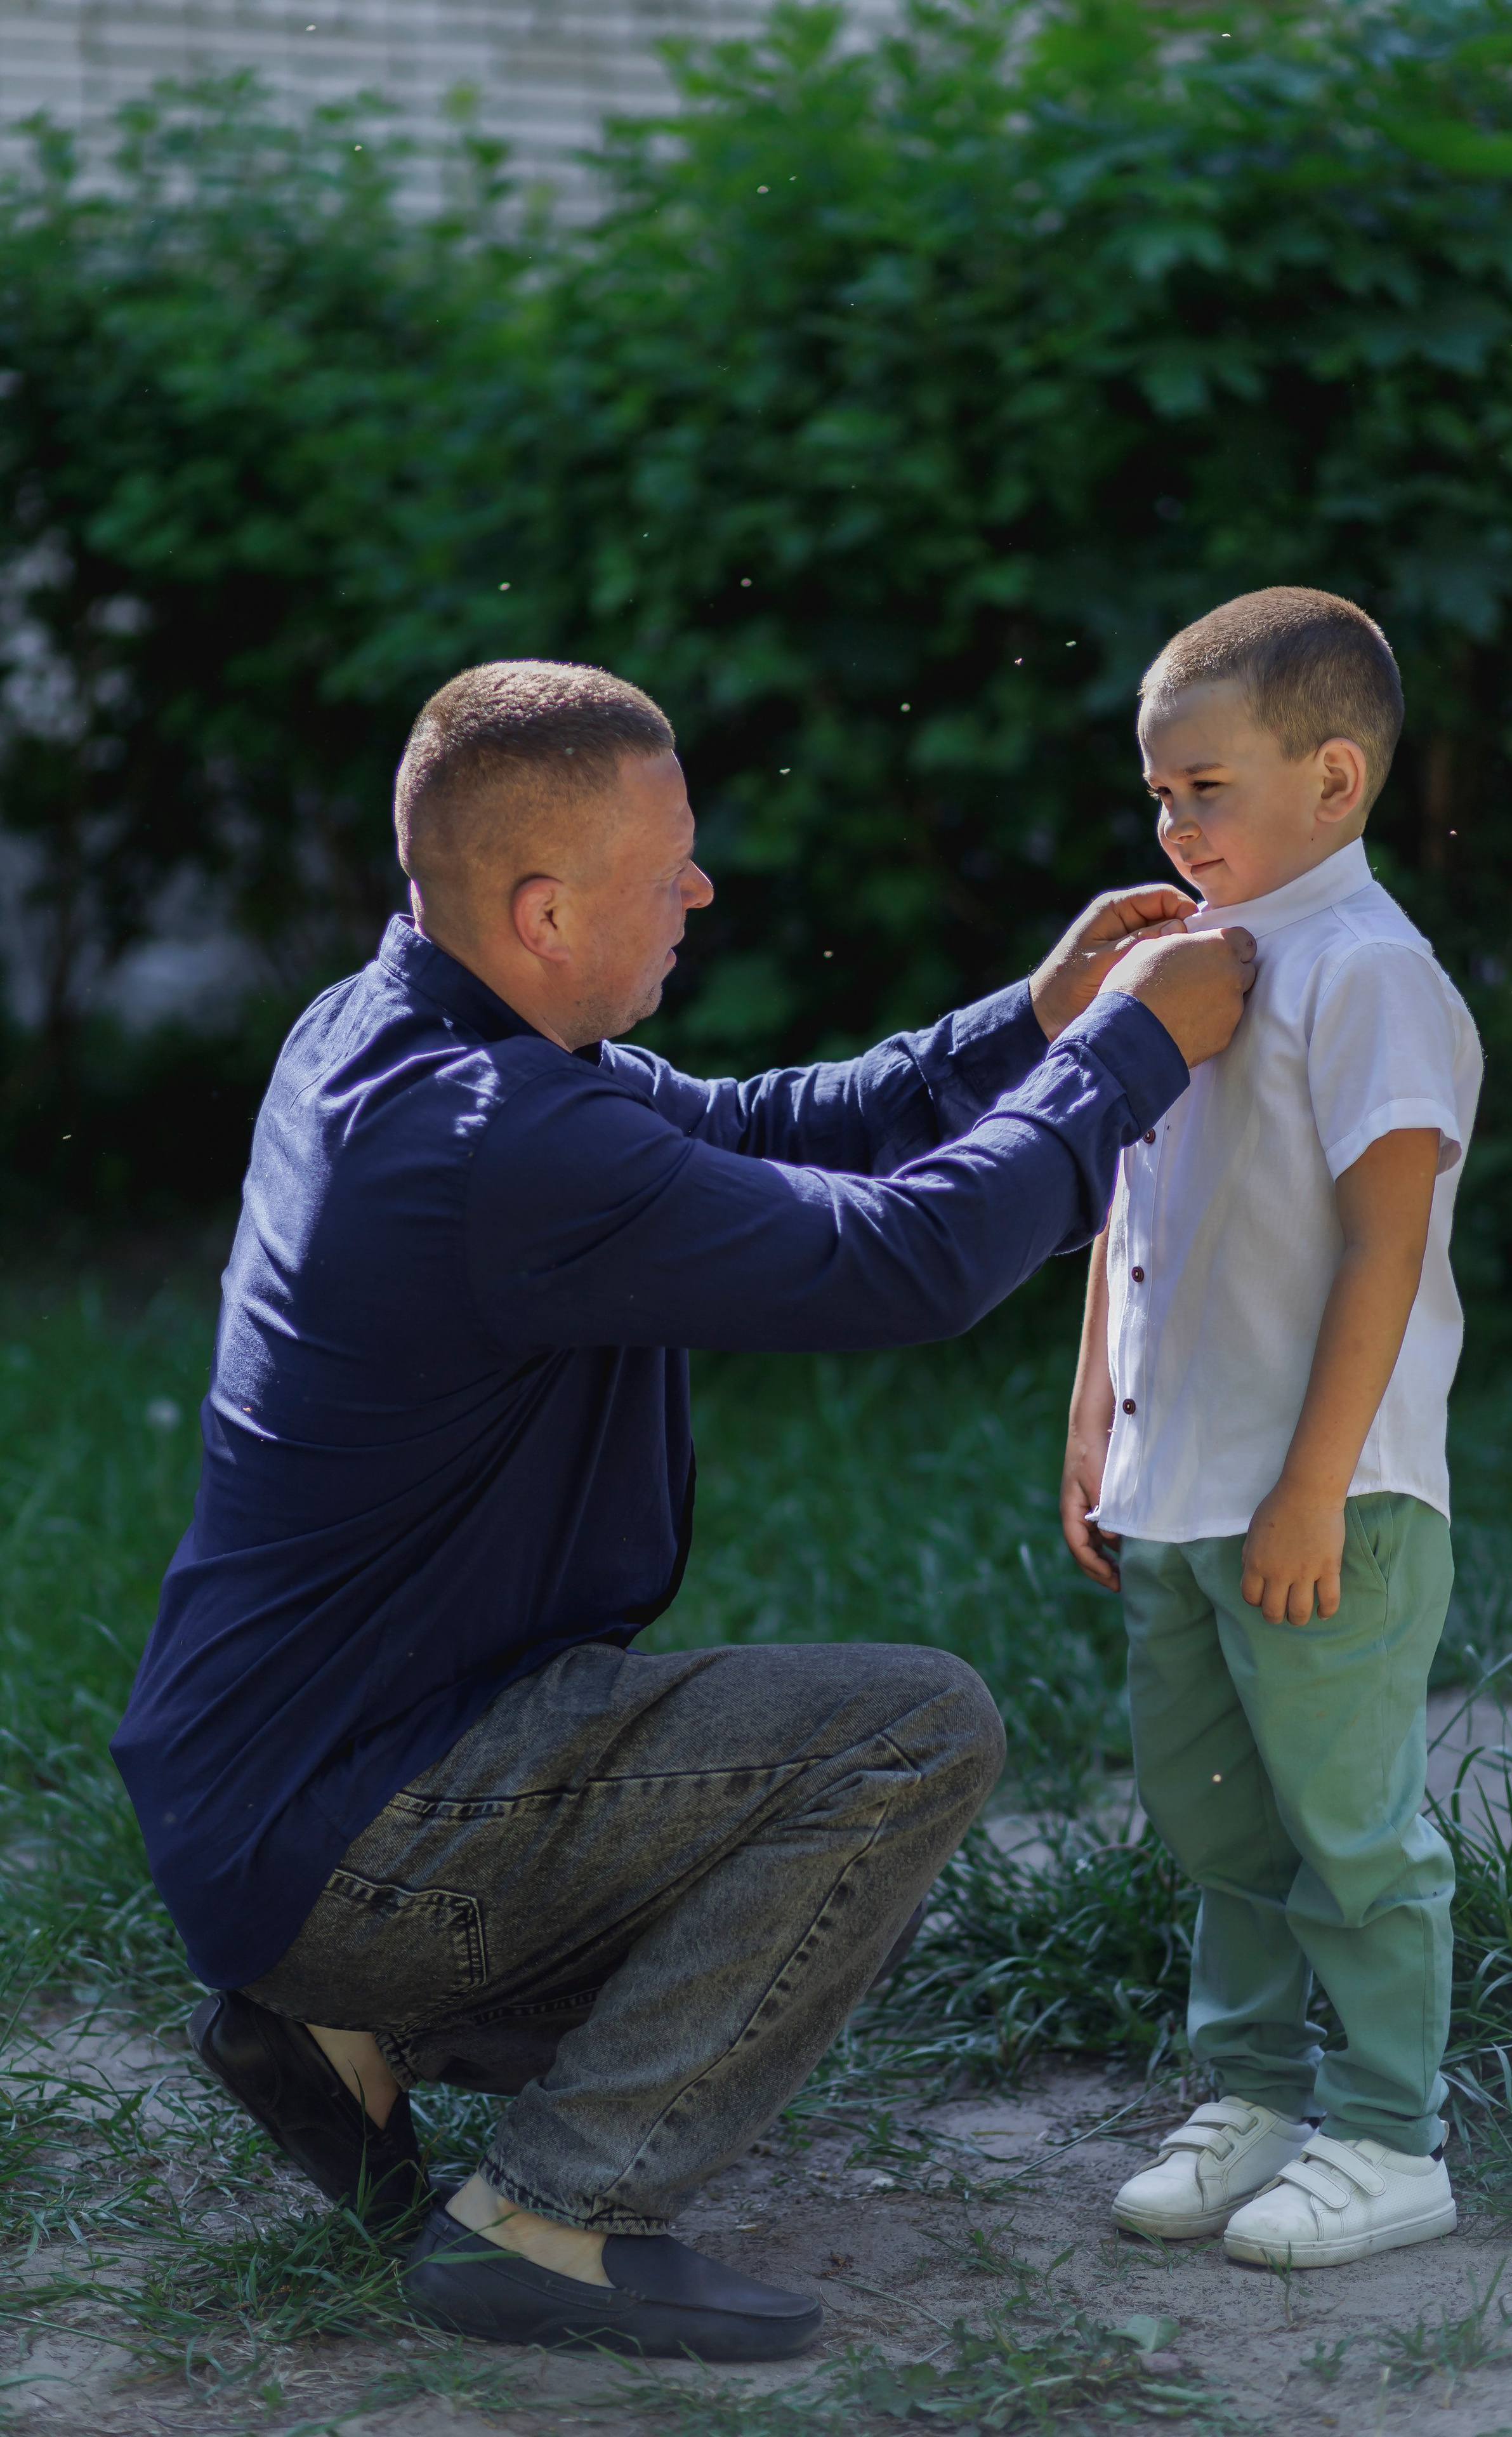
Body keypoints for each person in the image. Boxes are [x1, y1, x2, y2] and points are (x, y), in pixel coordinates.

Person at [113, 659, 1255, 2361]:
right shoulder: (503, 1140)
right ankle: (549, 2219)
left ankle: (335, 2023)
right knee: (905, 1734)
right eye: (676, 865)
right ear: (548, 906)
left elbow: (755, 1129)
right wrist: (1124, 1066)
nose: (704, 892)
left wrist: (1029, 1026)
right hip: (354, 1820)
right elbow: (910, 1262)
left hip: (268, 1795)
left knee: (759, 1867)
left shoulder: (403, 1031)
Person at [1060, 588, 1482, 2271]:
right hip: (1182, 1494)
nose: (1172, 825)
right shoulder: (1186, 966)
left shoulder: (1373, 977)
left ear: (1334, 779)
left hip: (1330, 1509)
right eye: (1157, 794)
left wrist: (1311, 1494)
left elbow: (1388, 1249)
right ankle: (1254, 2090)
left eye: (1203, 790)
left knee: (1349, 1831)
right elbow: (1127, 1200)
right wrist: (1098, 1421)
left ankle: (1392, 2135)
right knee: (1222, 1823)